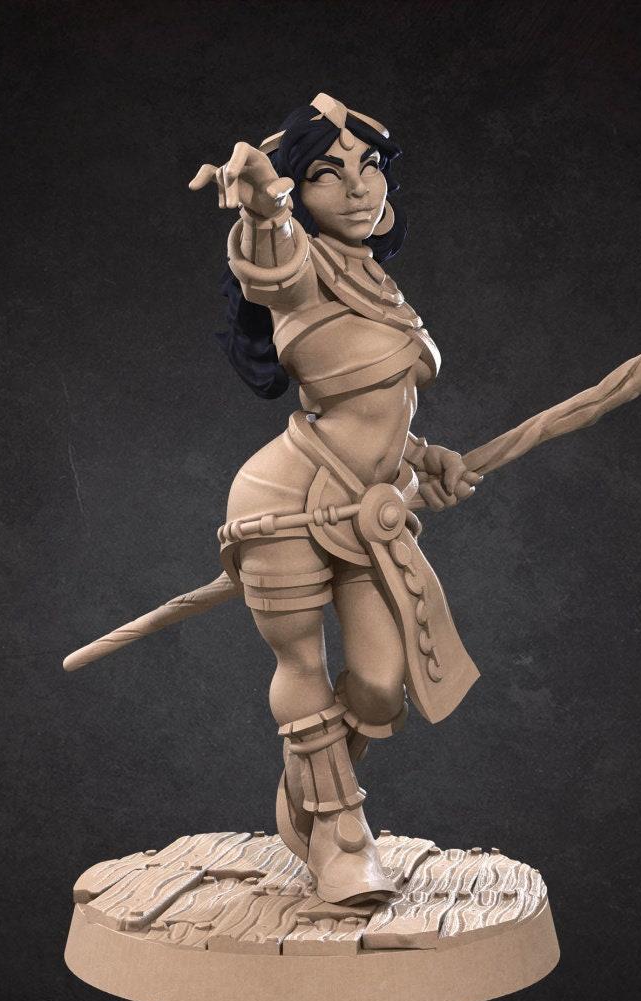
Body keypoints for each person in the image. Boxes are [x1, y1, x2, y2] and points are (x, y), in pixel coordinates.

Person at [190, 93, 481, 904]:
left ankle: (306, 789)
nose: (356, 187)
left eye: (369, 167)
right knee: (304, 663)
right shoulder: (302, 266)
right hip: (284, 500)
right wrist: (263, 202)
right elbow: (273, 260)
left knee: (382, 683)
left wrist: (422, 456)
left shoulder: (373, 275)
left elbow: (375, 407)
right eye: (327, 173)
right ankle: (342, 838)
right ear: (299, 189)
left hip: (362, 506)